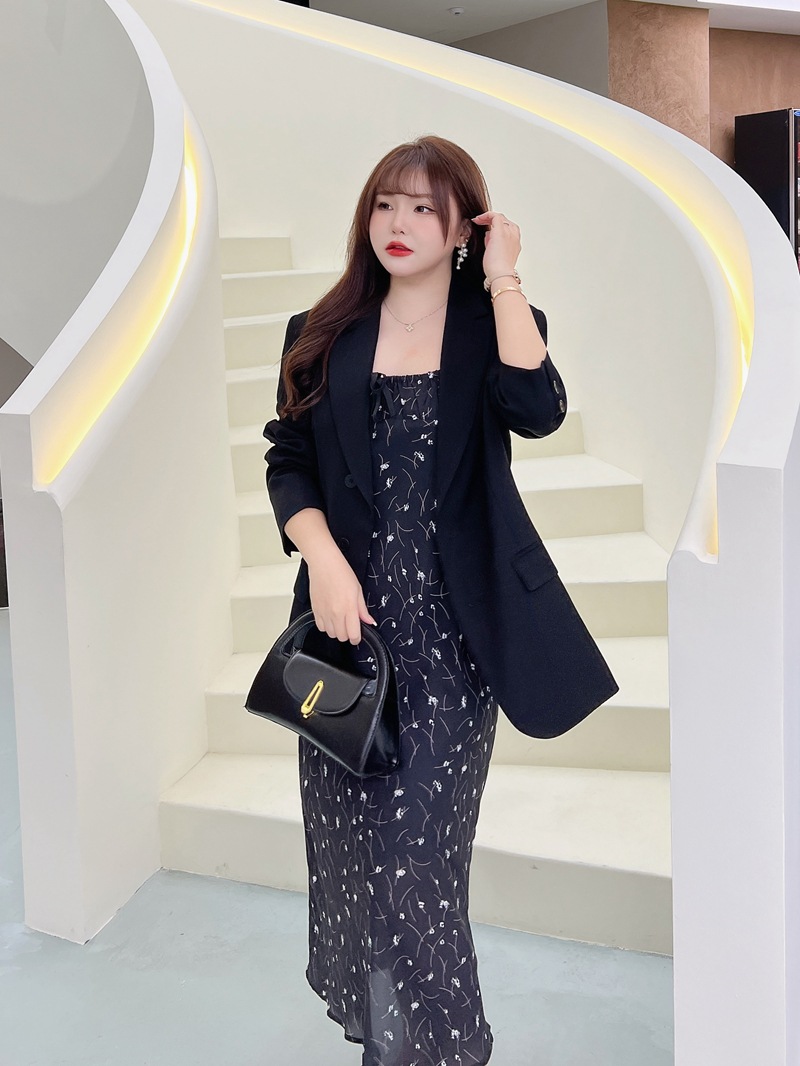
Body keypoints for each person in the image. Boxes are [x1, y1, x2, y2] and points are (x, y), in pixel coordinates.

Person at [262, 133, 618, 1066]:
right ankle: (392, 1049)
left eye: (425, 207)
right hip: (348, 640)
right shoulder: (319, 330)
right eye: (386, 203)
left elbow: (537, 409)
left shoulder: (494, 322)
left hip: (455, 644)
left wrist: (504, 278)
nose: (400, 223)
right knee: (358, 871)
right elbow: (287, 460)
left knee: (415, 873)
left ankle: (453, 1052)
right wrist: (323, 560)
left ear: (465, 227)